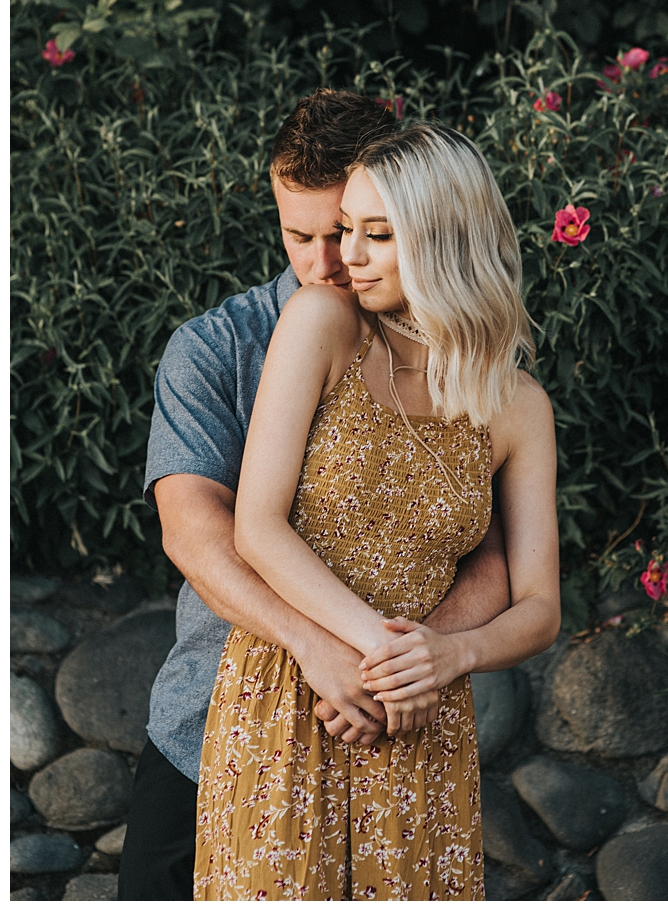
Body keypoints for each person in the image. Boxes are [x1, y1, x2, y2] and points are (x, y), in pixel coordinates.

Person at [122, 91, 513, 901]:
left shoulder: (468, 372)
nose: (327, 261)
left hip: (393, 729)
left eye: (349, 232)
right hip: (211, 722)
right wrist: (313, 644)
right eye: (300, 236)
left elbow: (491, 561)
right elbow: (196, 531)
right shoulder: (216, 347)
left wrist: (399, 665)